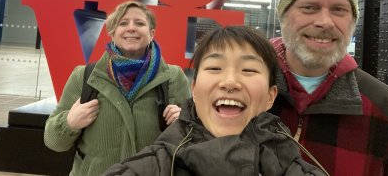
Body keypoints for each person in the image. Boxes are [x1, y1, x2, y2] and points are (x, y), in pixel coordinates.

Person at [269, 0, 388, 175]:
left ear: (352, 21)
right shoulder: (243, 90)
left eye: (338, 10)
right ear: (283, 16)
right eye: (309, 8)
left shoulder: (383, 107)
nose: (324, 22)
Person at [105, 25, 328, 176]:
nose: (230, 82)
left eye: (249, 69)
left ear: (271, 96)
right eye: (214, 68)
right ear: (194, 89)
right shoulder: (149, 168)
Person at [44, 0, 191, 176]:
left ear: (151, 33)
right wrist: (70, 122)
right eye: (123, 23)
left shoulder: (173, 78)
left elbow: (192, 143)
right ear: (112, 33)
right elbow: (53, 142)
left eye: (139, 23)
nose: (131, 28)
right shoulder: (85, 76)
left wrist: (183, 124)